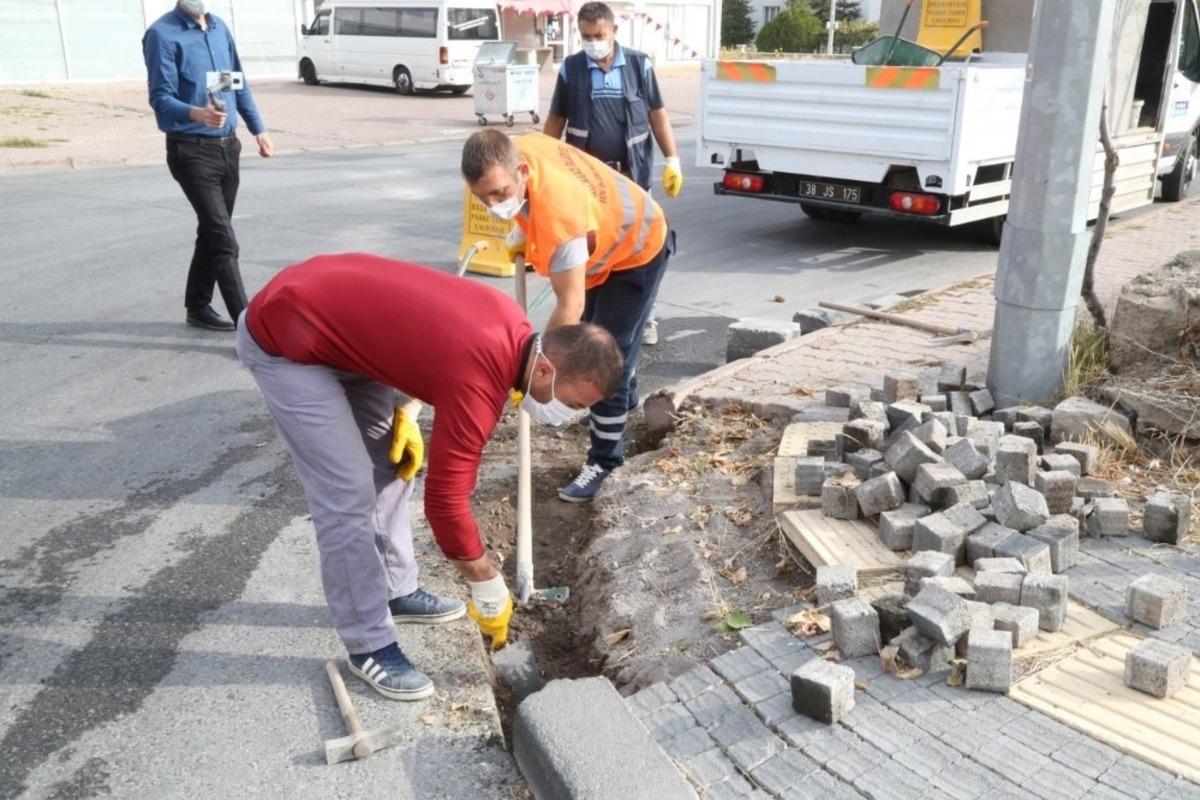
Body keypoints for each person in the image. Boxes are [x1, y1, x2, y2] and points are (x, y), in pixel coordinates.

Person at [236, 253, 622, 699]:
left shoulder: (512, 327)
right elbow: (446, 502)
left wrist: (407, 403)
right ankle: (368, 644)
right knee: (346, 495)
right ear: (545, 368)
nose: (565, 416)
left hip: (342, 331)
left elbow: (419, 335)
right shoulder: (479, 382)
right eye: (572, 404)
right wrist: (485, 578)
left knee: (390, 469)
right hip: (286, 337)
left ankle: (396, 590)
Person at [462, 130, 673, 503]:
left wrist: (532, 374)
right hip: (604, 242)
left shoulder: (561, 221)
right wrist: (521, 221)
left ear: (522, 172)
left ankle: (606, 461)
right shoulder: (514, 150)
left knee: (599, 360)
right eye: (484, 197)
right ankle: (622, 405)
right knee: (603, 339)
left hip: (637, 249)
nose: (494, 205)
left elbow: (568, 309)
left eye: (501, 194)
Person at [543, 0, 683, 347]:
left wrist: (673, 158)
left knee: (639, 252)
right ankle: (592, 321)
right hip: (587, 184)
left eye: (599, 35)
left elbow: (657, 114)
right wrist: (541, 168)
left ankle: (644, 319)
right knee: (591, 252)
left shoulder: (638, 65)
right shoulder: (572, 69)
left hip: (631, 180)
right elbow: (556, 122)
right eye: (586, 36)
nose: (593, 42)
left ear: (614, 31)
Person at [143, 0, 274, 332]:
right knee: (223, 238)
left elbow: (232, 82)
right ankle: (250, 331)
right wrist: (197, 113)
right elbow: (160, 97)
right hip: (191, 151)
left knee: (212, 232)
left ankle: (198, 305)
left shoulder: (218, 29)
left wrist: (258, 128)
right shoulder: (163, 34)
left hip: (228, 149)